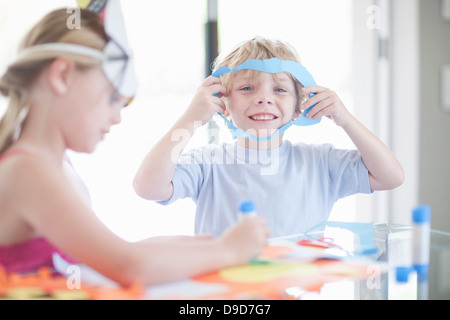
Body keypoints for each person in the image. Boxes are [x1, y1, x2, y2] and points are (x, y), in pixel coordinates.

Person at [0, 5, 269, 286]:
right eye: (112, 98)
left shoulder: (52, 166)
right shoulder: (29, 170)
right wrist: (228, 250)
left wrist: (201, 247)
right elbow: (129, 266)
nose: (117, 117)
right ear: (62, 76)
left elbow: (105, 254)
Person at [133, 36, 405, 237]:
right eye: (248, 88)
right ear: (223, 102)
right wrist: (190, 119)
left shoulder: (320, 162)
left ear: (300, 104)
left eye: (279, 90)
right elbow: (148, 187)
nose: (263, 98)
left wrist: (345, 119)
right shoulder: (208, 163)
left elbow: (390, 176)